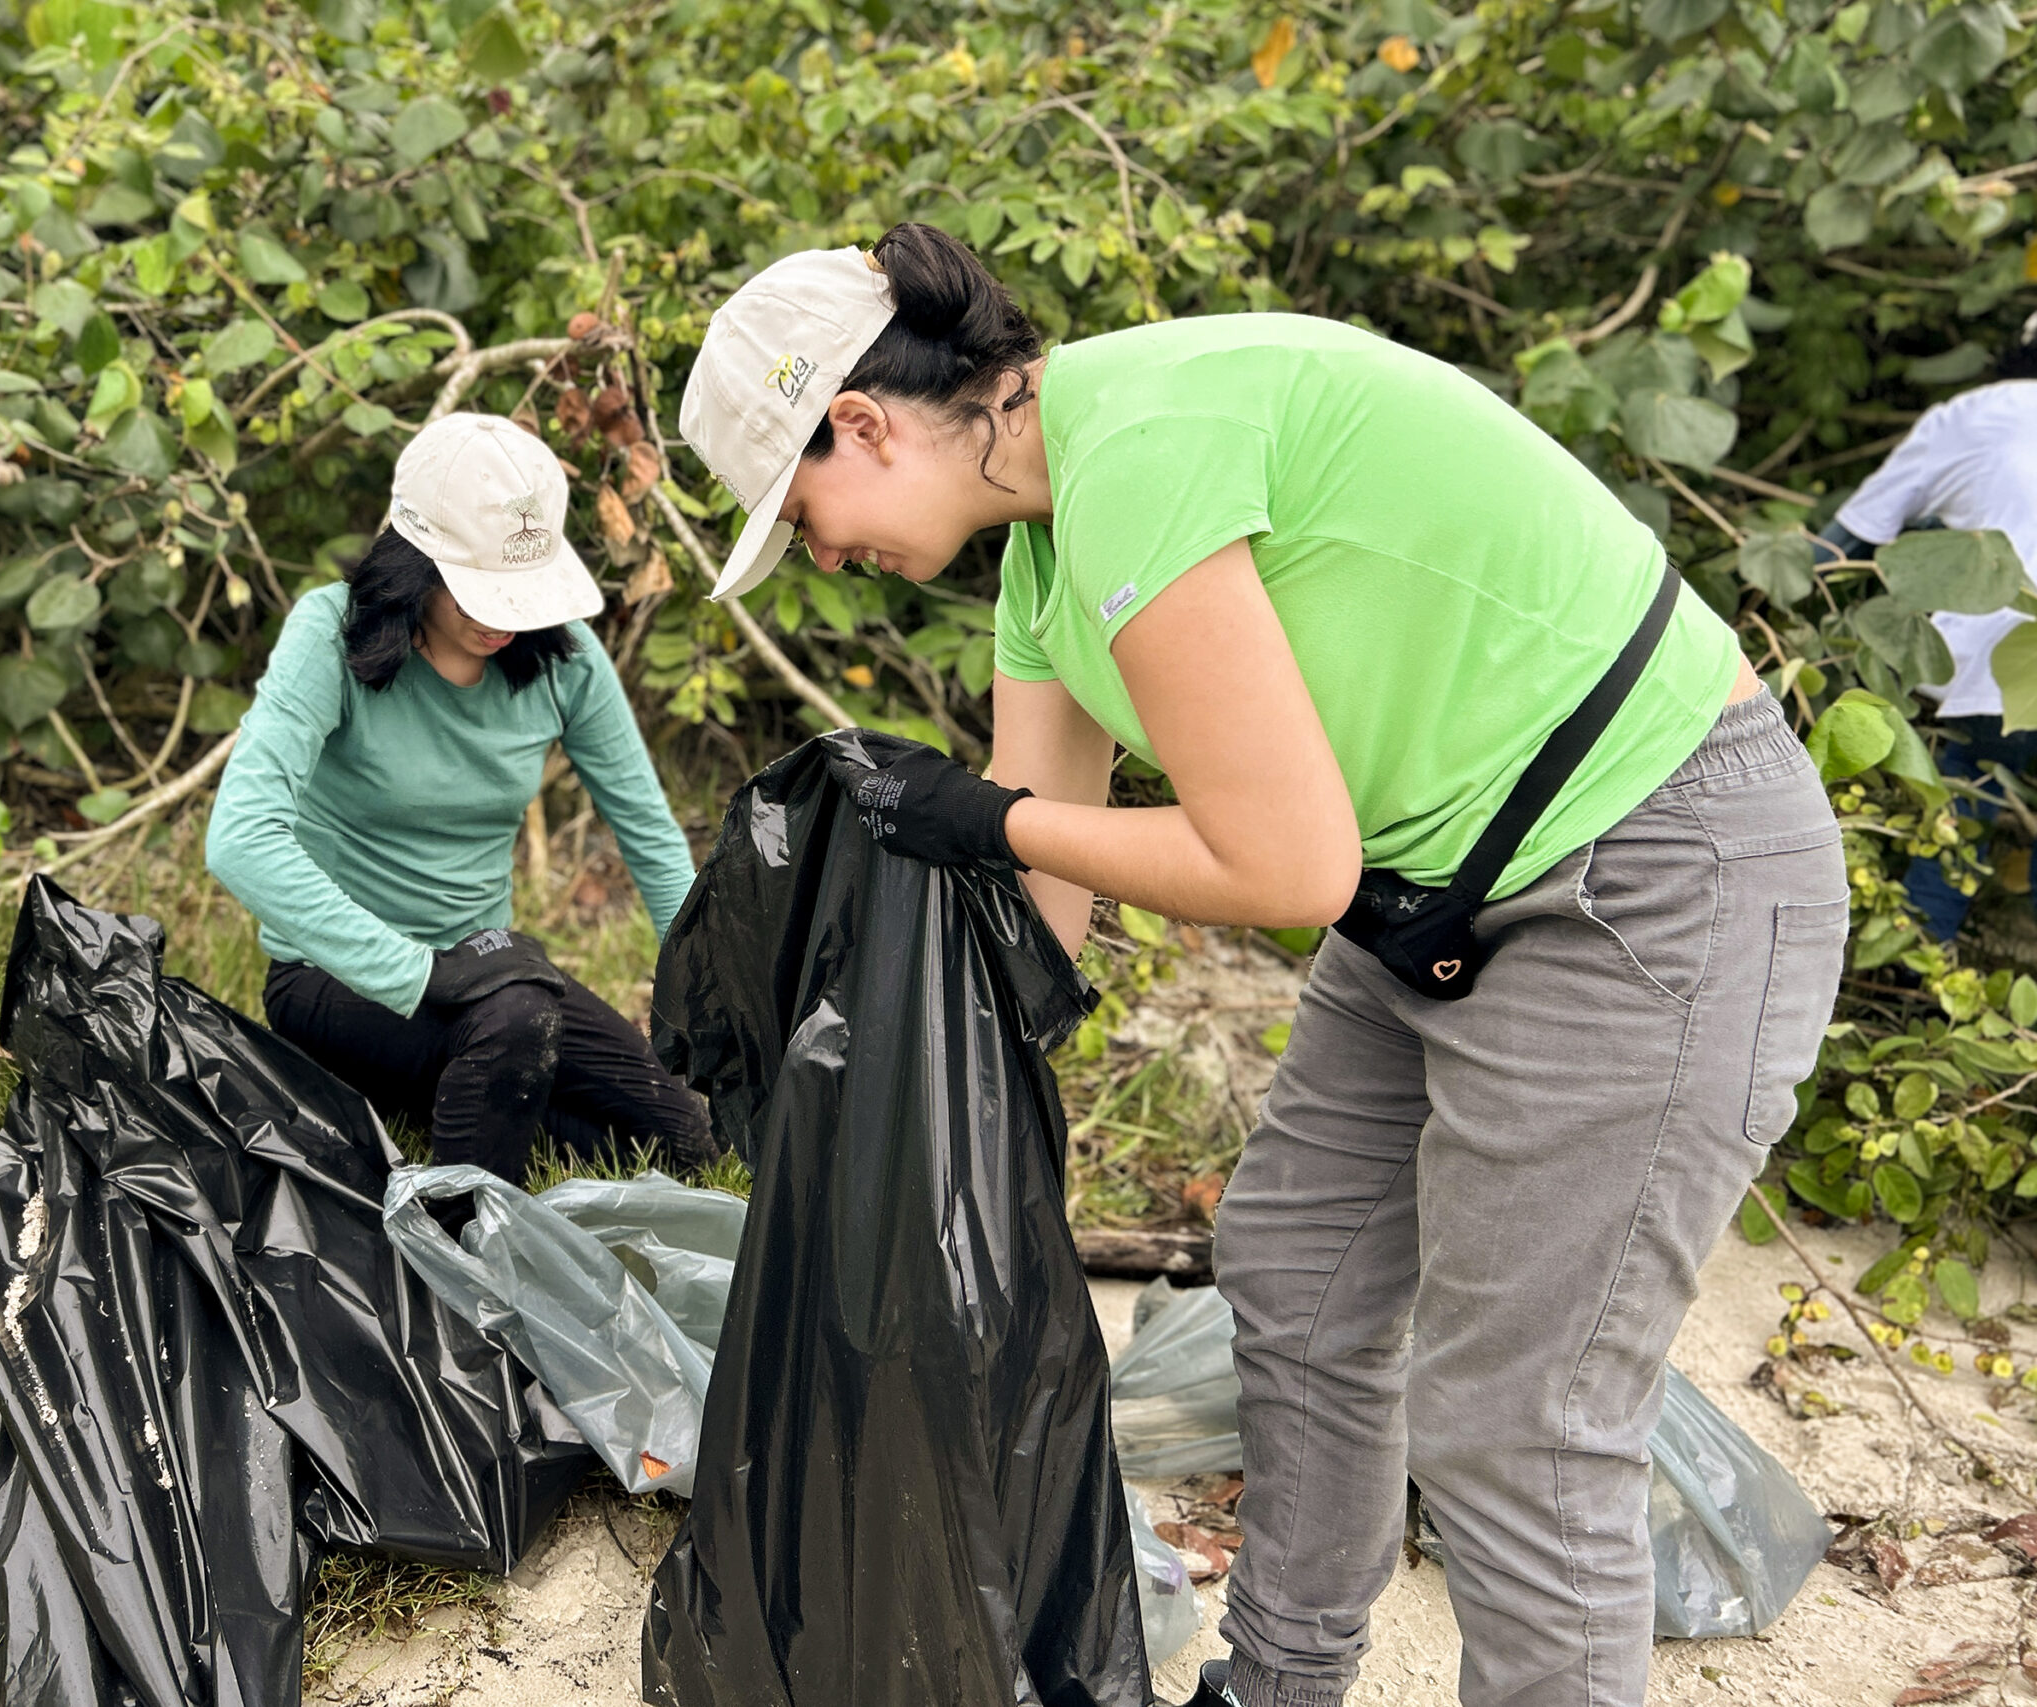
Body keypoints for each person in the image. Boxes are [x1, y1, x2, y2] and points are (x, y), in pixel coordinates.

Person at [676, 225, 1847, 1707]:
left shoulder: (1137, 450)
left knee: (1519, 1416)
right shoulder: (1044, 555)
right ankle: (1280, 1686)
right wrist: (870, 1089)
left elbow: (1286, 869)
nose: (822, 554)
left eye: (801, 513)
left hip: (1651, 868)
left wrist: (985, 817)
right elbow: (1040, 903)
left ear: (861, 422)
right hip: (1432, 887)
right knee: (1296, 1272)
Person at [206, 412, 714, 1184]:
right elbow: (240, 838)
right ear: (414, 563)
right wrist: (418, 972)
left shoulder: (566, 661)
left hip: (490, 974)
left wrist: (709, 997)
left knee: (685, 1136)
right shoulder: (329, 633)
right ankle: (458, 1230)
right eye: (479, 590)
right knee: (519, 1018)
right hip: (335, 978)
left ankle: (467, 1088)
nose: (503, 616)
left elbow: (647, 832)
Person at [1817, 323, 2037, 942]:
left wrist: (1762, 590)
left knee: (1954, 822)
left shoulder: (1973, 413)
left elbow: (1847, 540)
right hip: (2010, 664)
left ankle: (1921, 962)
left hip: (1995, 672)